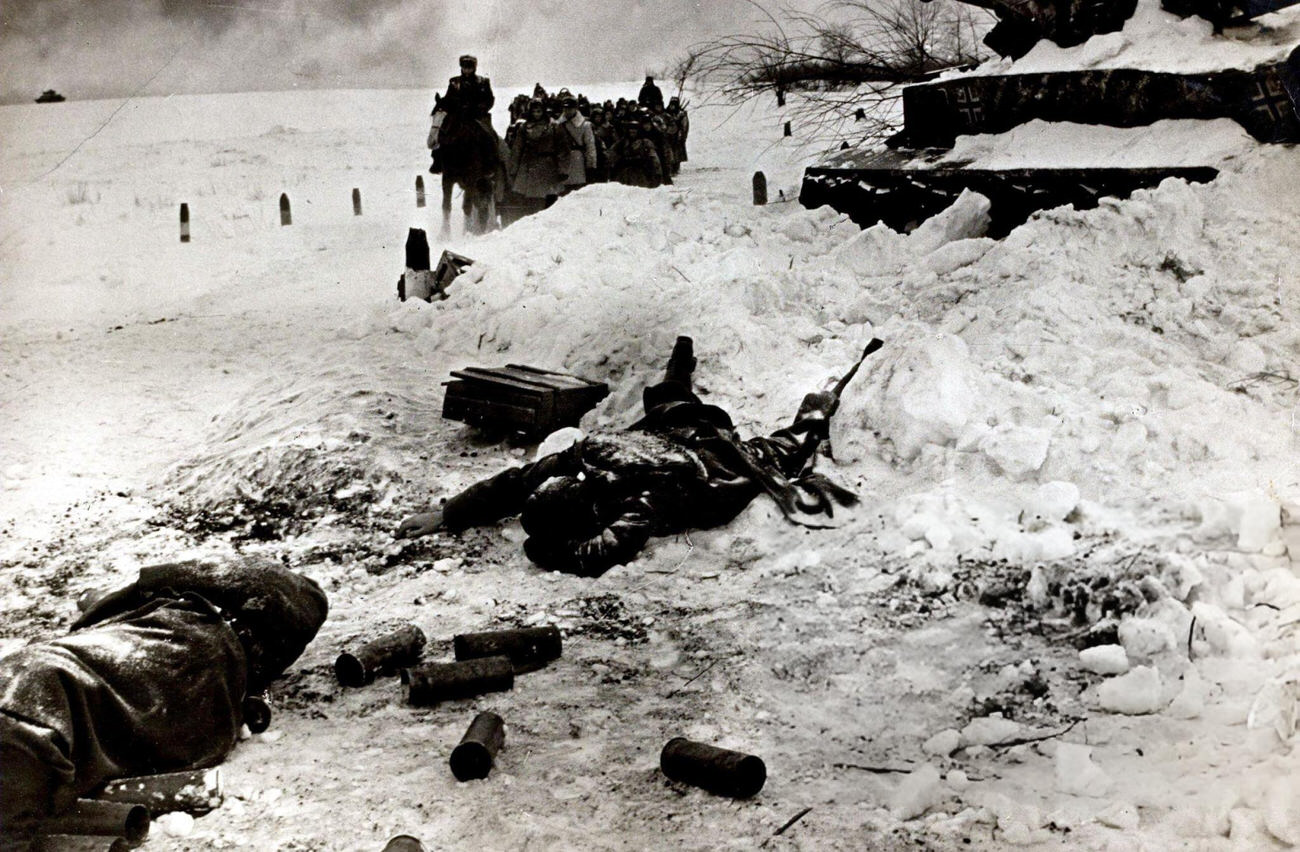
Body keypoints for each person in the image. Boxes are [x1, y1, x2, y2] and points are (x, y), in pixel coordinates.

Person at [396, 337, 860, 577]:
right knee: (670, 400)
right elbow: (517, 483)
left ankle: (828, 397)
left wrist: (543, 550)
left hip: (718, 463)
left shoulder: (636, 501)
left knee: (790, 444)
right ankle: (679, 372)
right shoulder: (585, 457)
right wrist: (448, 512)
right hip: (679, 431)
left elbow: (601, 554)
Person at [0, 560, 327, 850]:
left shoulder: (239, 578)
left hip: (170, 654)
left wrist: (86, 625)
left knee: (34, 689)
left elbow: (136, 589)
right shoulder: (286, 623)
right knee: (69, 704)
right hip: (200, 708)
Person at [506, 98, 563, 214]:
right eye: (534, 111)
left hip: (548, 166)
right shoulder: (524, 127)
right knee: (532, 201)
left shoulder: (553, 126)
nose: (537, 114)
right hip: (529, 165)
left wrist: (563, 169)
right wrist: (513, 170)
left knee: (550, 200)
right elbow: (517, 149)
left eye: (539, 111)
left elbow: (562, 149)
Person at [556, 96, 598, 194]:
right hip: (562, 161)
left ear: (576, 108)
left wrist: (591, 165)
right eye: (565, 108)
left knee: (578, 191)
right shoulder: (558, 125)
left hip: (578, 161)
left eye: (570, 108)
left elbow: (590, 146)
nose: (567, 111)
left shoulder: (585, 125)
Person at [611, 118, 663, 188]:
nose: (632, 131)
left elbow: (653, 158)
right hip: (624, 172)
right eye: (631, 129)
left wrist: (657, 173)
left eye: (635, 129)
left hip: (641, 172)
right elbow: (613, 153)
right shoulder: (622, 142)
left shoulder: (645, 142)